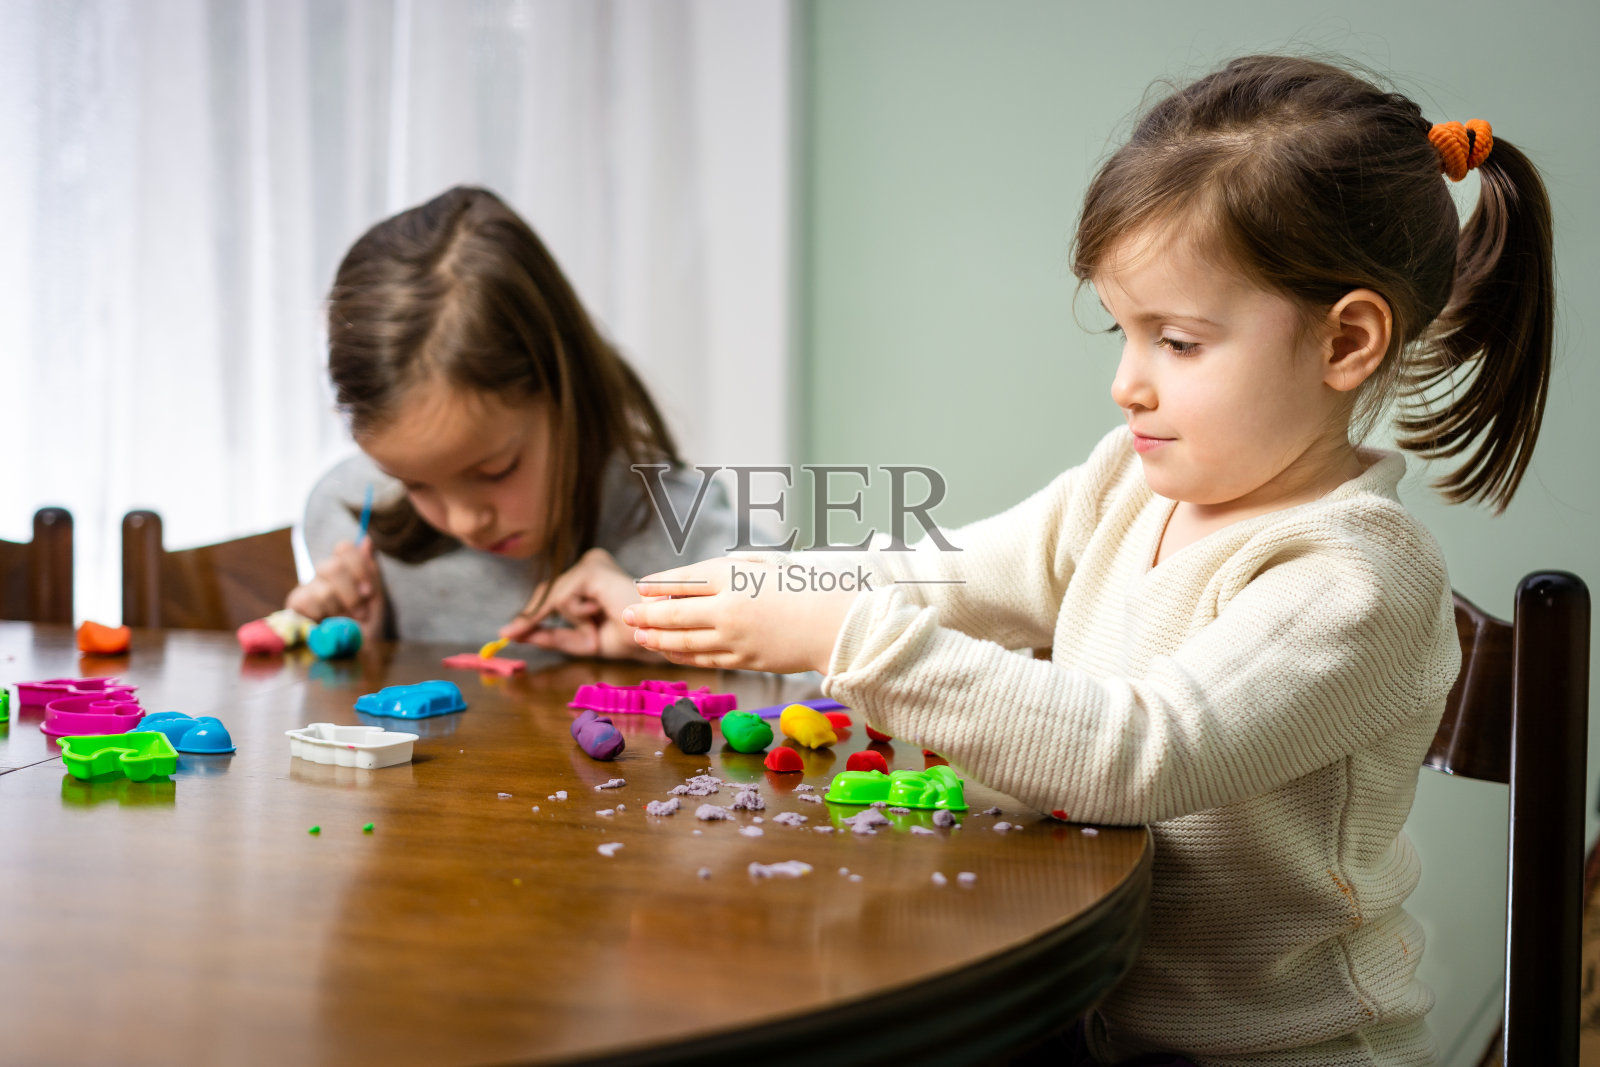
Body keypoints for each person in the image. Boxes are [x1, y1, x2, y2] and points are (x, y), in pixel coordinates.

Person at [623, 55, 1554, 1065]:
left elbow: (1141, 750)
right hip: (1098, 1018)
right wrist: (747, 588)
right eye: (1123, 329)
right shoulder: (1126, 482)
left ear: (1345, 343)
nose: (1125, 384)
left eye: (1178, 342)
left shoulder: (1355, 577)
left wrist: (849, 640)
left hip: (1289, 1051)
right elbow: (945, 572)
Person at [289, 185, 738, 658]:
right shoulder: (343, 516)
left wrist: (671, 636)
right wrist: (361, 652)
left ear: (566, 393)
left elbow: (815, 662)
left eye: (495, 471)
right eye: (415, 484)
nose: (466, 522)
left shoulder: (688, 535)